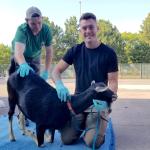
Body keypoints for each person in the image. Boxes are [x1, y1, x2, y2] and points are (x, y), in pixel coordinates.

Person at [52, 12, 118, 149]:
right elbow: (56, 71)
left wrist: (107, 101)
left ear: (97, 28)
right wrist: (59, 84)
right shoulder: (75, 50)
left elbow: (113, 81)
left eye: (91, 27)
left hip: (97, 104)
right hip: (78, 102)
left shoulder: (109, 53)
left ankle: (98, 126)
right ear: (80, 31)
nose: (88, 31)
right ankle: (84, 122)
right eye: (84, 28)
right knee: (66, 139)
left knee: (92, 142)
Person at [9, 6, 53, 80]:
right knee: (17, 81)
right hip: (19, 55)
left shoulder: (46, 30)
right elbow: (18, 53)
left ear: (42, 19)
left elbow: (49, 52)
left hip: (35, 56)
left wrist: (46, 71)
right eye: (33, 24)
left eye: (39, 23)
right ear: (27, 21)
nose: (37, 27)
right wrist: (23, 64)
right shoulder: (22, 30)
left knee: (36, 82)